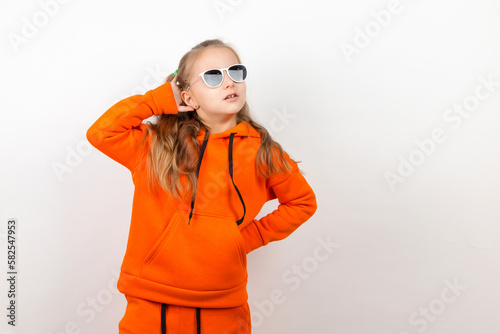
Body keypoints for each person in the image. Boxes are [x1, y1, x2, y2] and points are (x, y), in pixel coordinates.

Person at [86, 38, 317, 334]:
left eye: (236, 71)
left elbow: (302, 203)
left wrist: (243, 240)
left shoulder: (262, 151)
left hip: (222, 303)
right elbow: (101, 133)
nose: (228, 82)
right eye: (212, 76)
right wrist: (158, 100)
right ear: (188, 97)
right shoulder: (154, 146)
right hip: (151, 298)